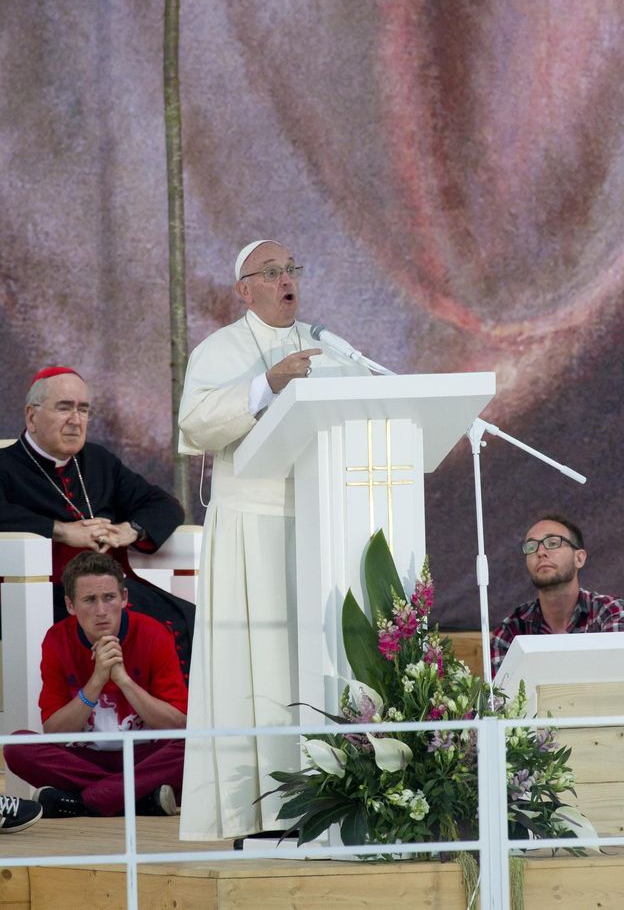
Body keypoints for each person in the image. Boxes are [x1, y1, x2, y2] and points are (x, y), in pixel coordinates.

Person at [178, 239, 371, 840]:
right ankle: (259, 809)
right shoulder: (220, 350)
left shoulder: (327, 344)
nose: (286, 279)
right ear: (244, 290)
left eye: (291, 268)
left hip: (324, 520)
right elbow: (196, 424)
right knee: (258, 667)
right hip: (252, 524)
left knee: (317, 659)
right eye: (271, 272)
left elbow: (369, 400)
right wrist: (267, 383)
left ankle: (338, 800)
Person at [0, 365, 194, 679]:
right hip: (44, 599)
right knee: (136, 625)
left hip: (116, 591)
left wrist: (129, 530)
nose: (75, 419)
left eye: (83, 410)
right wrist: (61, 531)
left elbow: (165, 505)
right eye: (64, 408)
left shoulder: (99, 461)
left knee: (191, 620)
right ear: (31, 416)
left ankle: (176, 712)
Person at [3, 551, 187, 818]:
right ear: (70, 605)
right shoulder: (57, 639)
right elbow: (55, 732)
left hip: (145, 756)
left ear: (124, 598)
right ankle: (139, 797)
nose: (101, 611)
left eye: (109, 597)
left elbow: (178, 724)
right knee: (17, 747)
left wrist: (124, 681)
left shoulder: (153, 633)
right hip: (85, 760)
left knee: (198, 745)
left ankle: (86, 800)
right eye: (89, 600)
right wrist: (96, 681)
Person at [491, 513, 624, 677]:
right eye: (531, 547)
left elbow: (619, 679)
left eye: (553, 543)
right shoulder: (511, 630)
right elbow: (500, 693)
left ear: (579, 558)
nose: (540, 552)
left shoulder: (609, 611)